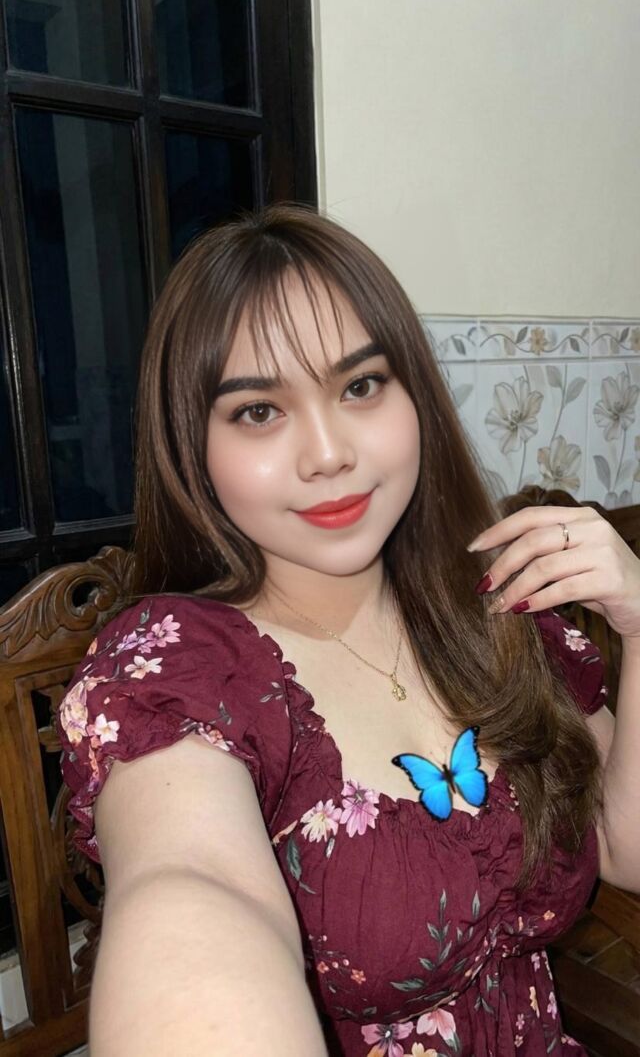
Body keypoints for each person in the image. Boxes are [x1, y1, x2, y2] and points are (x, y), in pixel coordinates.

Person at [56, 204, 640, 1057]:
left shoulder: (492, 606)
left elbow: (624, 846)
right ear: (193, 445)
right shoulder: (177, 669)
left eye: (360, 386)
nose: (328, 452)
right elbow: (190, 883)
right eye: (259, 410)